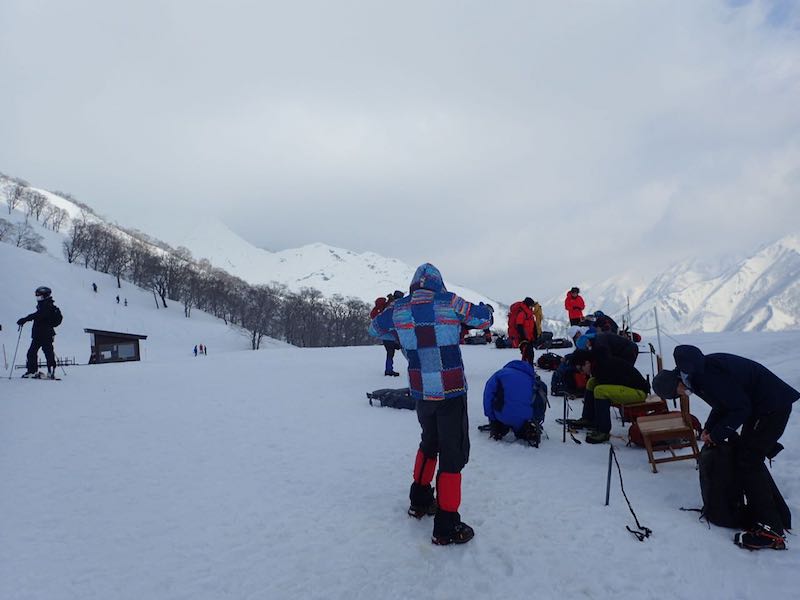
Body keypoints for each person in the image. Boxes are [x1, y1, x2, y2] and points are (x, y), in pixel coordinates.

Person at [369, 263, 493, 546]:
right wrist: (486, 308)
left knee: (429, 443)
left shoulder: (399, 308)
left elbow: (374, 328)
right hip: (451, 391)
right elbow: (484, 319)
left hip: (421, 391)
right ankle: (447, 526)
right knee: (452, 454)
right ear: (438, 283)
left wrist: (401, 335)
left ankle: (420, 500)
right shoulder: (448, 302)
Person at [654, 345, 799, 551]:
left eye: (676, 393)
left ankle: (771, 530)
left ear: (675, 383)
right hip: (760, 407)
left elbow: (740, 408)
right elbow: (723, 404)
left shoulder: (703, 376)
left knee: (748, 461)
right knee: (748, 457)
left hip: (772, 406)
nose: (682, 395)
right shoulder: (695, 373)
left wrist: (716, 434)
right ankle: (777, 514)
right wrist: (710, 429)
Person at [568, 348, 650, 443]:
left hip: (638, 392)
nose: (581, 372)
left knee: (600, 391)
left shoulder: (602, 365)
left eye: (581, 369)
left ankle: (603, 431)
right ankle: (588, 419)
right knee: (591, 382)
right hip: (628, 387)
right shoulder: (597, 363)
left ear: (587, 363)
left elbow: (607, 387)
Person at [482, 341, 546, 446]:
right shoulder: (532, 379)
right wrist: (536, 419)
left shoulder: (499, 374)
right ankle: (524, 429)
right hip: (525, 417)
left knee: (502, 411)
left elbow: (487, 397)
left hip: (501, 415)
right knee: (521, 420)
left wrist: (492, 418)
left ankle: (500, 428)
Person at [16, 286, 62, 379]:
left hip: (45, 334)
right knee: (33, 353)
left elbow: (38, 315)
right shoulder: (43, 305)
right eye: (37, 296)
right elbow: (38, 315)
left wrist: (25, 319)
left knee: (46, 352)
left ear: (45, 296)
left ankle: (48, 371)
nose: (38, 298)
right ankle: (34, 371)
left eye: (39, 296)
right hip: (39, 334)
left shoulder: (48, 306)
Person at [370, 295, 401, 376]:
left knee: (390, 352)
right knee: (392, 352)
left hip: (384, 336)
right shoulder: (385, 310)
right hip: (391, 335)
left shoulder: (376, 311)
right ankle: (389, 370)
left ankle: (389, 369)